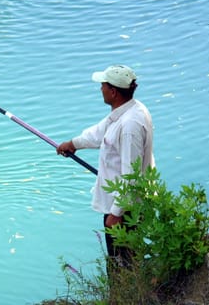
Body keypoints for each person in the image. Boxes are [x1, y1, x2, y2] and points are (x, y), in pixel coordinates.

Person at [56, 64, 154, 268]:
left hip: (125, 211)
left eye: (103, 85)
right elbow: (100, 133)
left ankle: (127, 298)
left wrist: (116, 213)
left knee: (123, 265)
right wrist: (73, 144)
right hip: (121, 205)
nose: (100, 88)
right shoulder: (130, 110)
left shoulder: (130, 126)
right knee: (125, 261)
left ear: (113, 91)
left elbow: (131, 176)